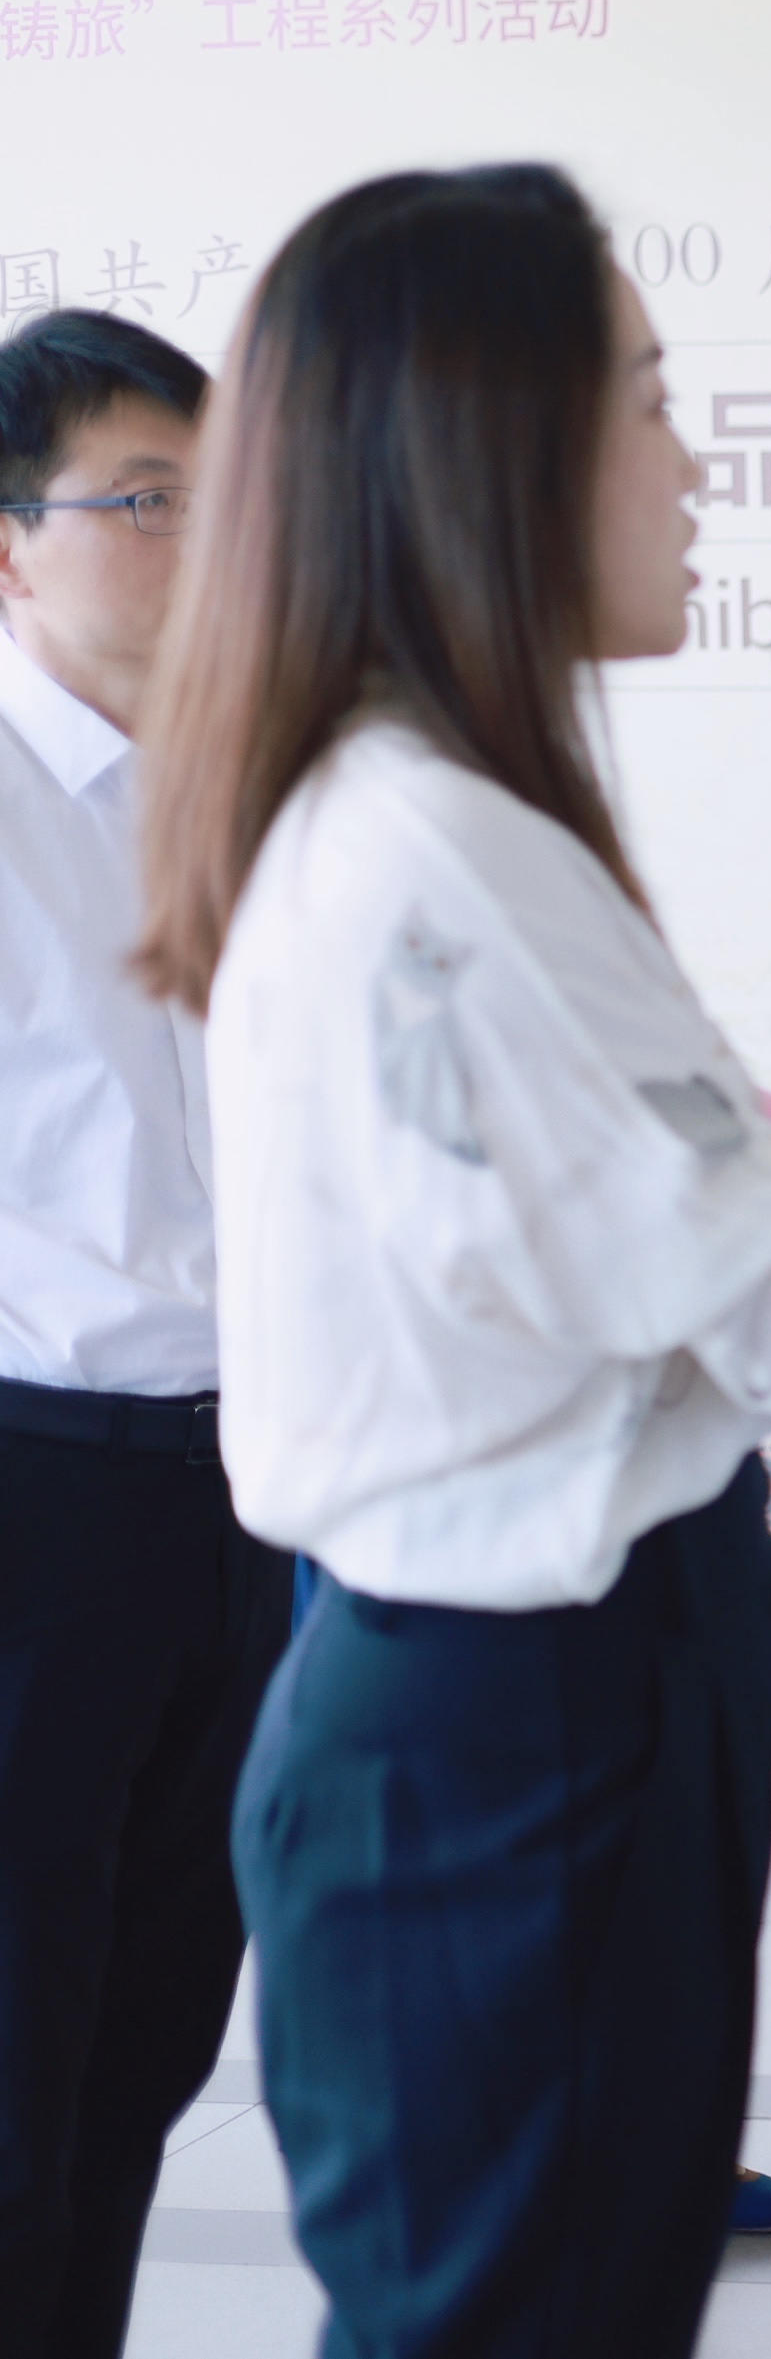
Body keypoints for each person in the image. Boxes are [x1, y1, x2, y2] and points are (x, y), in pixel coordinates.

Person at [127, 163, 771, 2354]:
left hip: (538, 1691)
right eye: (649, 400)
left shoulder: (435, 814)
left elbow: (664, 1275)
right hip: (509, 1719)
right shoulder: (431, 845)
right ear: (490, 445)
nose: (694, 464)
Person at [0, 310, 291, 2359]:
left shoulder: (256, 791)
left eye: (221, 498)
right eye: (143, 501)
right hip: (36, 1488)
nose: (199, 544)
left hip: (245, 1482)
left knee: (145, 2042)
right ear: (12, 544)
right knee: (15, 2058)